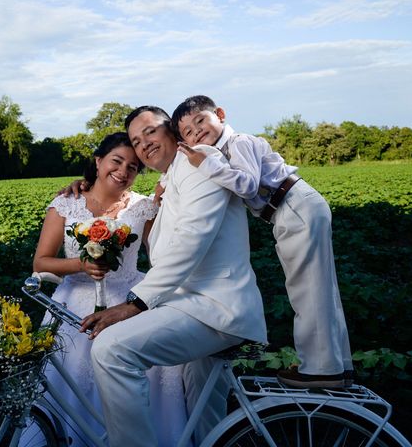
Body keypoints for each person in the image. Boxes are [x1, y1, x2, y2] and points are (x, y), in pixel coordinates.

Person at [81, 106, 267, 447]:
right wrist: (83, 189)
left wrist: (135, 304)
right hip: (192, 305)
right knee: (203, 415)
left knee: (111, 350)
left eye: (150, 131)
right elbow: (159, 244)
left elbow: (191, 241)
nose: (144, 143)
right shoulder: (169, 181)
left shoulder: (200, 161)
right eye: (137, 141)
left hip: (216, 307)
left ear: (172, 131)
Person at [170, 94, 353, 388]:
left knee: (307, 286)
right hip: (292, 208)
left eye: (200, 120)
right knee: (321, 285)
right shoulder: (225, 150)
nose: (197, 132)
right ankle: (337, 365)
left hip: (292, 204)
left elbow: (247, 184)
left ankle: (320, 368)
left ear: (220, 114)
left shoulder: (238, 142)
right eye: (188, 132)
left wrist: (205, 165)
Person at [32, 132, 189, 447]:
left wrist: (167, 201)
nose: (123, 171)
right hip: (74, 303)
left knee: (138, 379)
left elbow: (161, 252)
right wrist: (81, 265)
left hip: (131, 301)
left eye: (132, 167)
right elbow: (41, 263)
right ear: (98, 160)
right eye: (116, 161)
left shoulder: (143, 208)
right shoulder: (66, 203)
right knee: (74, 381)